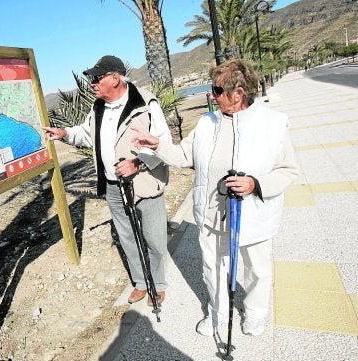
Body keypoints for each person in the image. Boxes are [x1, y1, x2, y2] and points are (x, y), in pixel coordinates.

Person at [131, 59, 299, 336]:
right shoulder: (207, 123)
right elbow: (185, 156)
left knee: (257, 269)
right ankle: (218, 314)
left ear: (239, 93)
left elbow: (288, 170)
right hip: (211, 214)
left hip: (253, 214)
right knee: (213, 268)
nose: (212, 95)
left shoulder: (274, 123)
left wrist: (255, 184)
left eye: (217, 90)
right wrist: (157, 144)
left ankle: (256, 313)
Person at [43, 55, 172, 306]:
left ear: (115, 78)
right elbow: (86, 134)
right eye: (90, 78)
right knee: (127, 235)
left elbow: (163, 141)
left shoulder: (145, 103)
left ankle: (158, 282)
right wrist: (64, 133)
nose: (91, 82)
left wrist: (138, 163)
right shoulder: (98, 107)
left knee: (154, 237)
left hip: (145, 182)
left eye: (96, 77)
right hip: (113, 186)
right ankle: (141, 282)